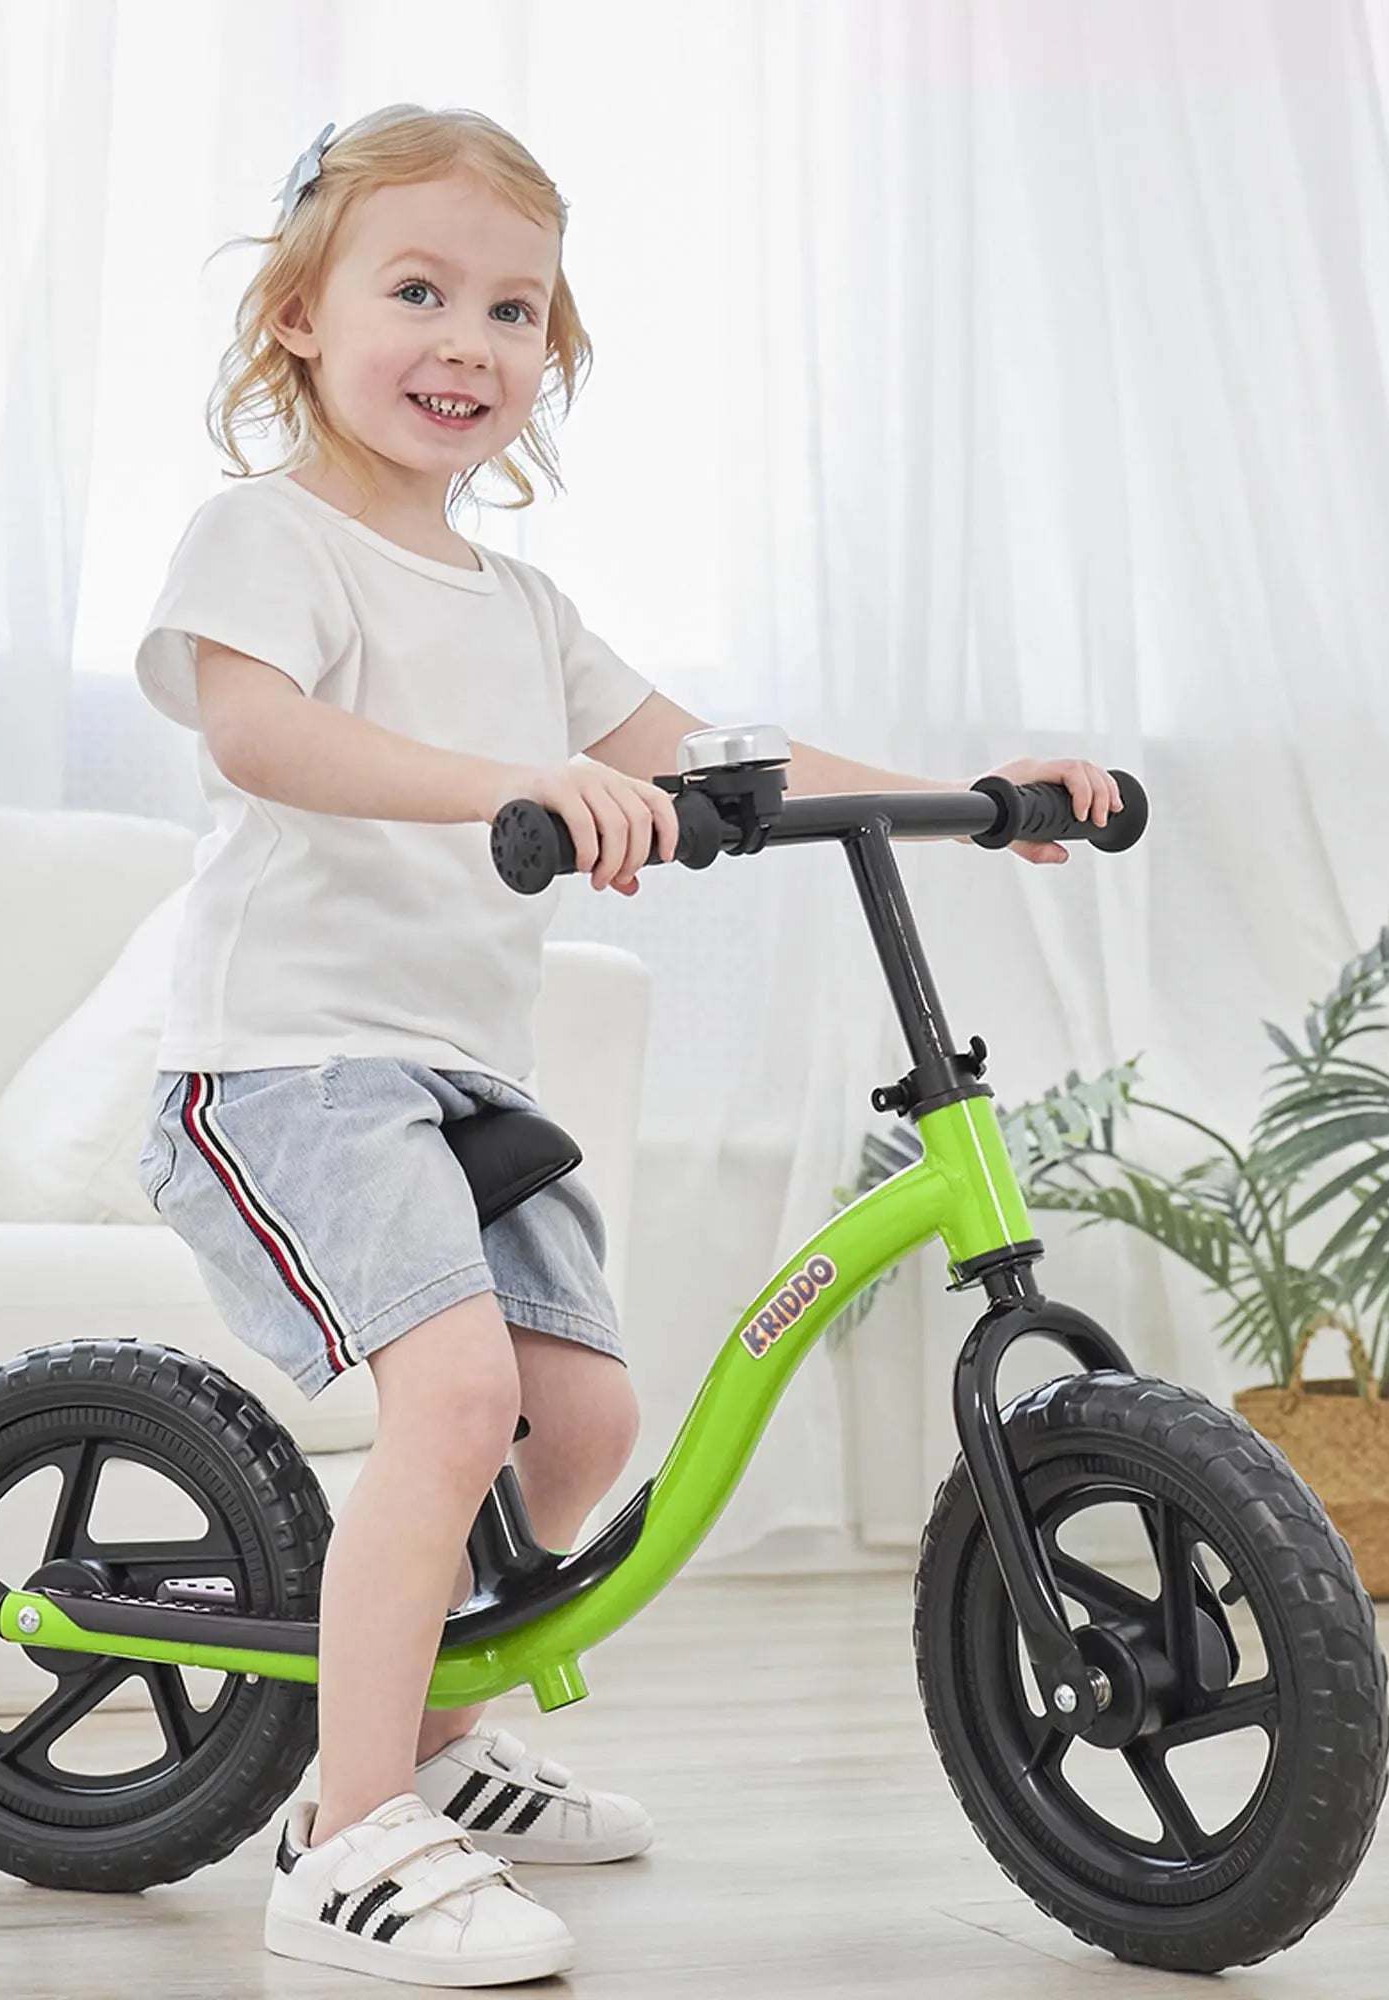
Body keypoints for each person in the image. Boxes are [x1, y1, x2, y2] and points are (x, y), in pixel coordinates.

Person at [131, 103, 1123, 1989]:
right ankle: (341, 1838)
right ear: (297, 321)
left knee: (576, 1415)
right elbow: (257, 739)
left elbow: (718, 762)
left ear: (549, 362)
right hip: (288, 1064)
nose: (467, 342)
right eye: (416, 291)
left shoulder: (526, 608)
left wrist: (984, 795)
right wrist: (517, 778)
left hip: (460, 1078)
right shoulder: (266, 540)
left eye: (514, 312)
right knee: (450, 1401)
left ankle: (430, 1743)